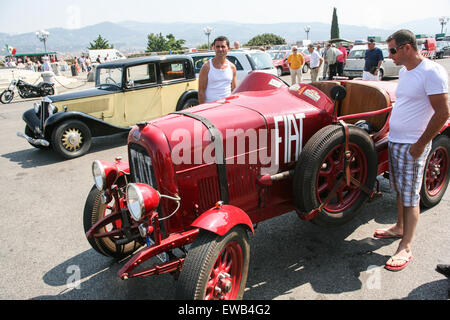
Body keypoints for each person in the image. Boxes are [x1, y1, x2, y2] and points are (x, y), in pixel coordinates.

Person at [374, 29, 449, 272]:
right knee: (399, 190)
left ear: (407, 48)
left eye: (393, 50)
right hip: (396, 140)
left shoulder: (432, 72)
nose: (390, 56)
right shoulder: (406, 71)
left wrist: (420, 144)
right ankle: (399, 227)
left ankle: (406, 247)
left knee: (410, 196)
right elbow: (402, 106)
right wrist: (384, 132)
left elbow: (443, 111)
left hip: (412, 144)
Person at [198, 36, 237, 104]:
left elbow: (234, 89)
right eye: (217, 46)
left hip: (227, 106)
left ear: (228, 48)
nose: (220, 49)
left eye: (223, 46)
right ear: (214, 48)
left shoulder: (232, 67)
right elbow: (201, 91)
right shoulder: (206, 67)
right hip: (211, 107)